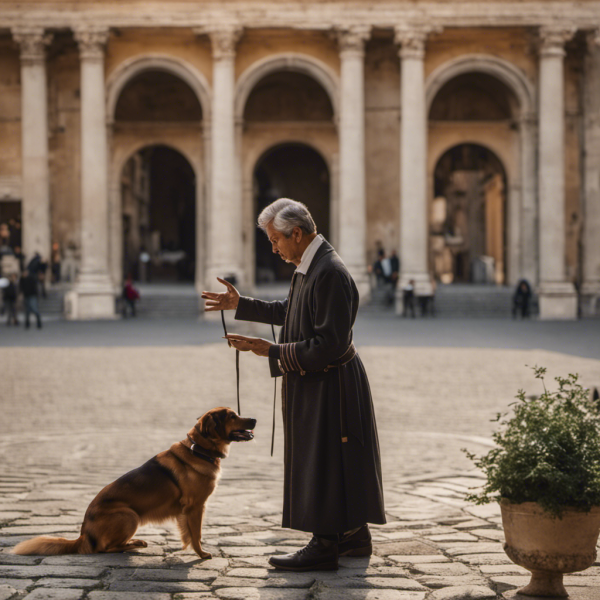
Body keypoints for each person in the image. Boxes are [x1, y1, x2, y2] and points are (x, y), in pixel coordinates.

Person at [202, 198, 385, 572]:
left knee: (325, 458)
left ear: (296, 234)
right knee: (325, 456)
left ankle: (323, 544)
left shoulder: (329, 271)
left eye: (275, 241)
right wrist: (241, 304)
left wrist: (274, 351)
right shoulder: (311, 264)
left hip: (331, 382)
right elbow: (293, 310)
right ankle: (353, 535)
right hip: (317, 379)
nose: (274, 249)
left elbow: (330, 343)